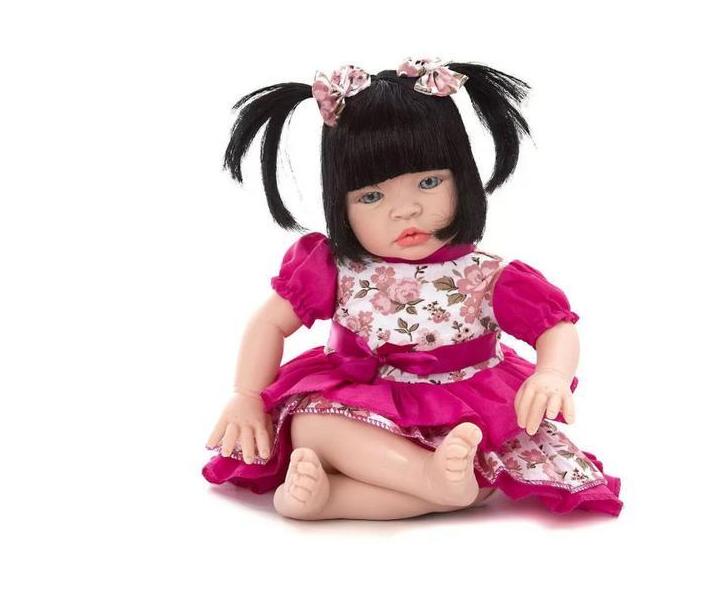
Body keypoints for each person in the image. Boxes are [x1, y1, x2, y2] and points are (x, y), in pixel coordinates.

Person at [203, 58, 623, 520]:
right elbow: (269, 323)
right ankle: (424, 482)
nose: (405, 210)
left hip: (458, 408)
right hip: (359, 399)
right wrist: (247, 395)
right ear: (339, 203)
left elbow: (554, 326)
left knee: (479, 466)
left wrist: (552, 375)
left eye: (428, 182)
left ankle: (340, 497)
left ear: (462, 178)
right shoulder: (335, 268)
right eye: (371, 196)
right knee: (309, 426)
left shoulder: (487, 275)